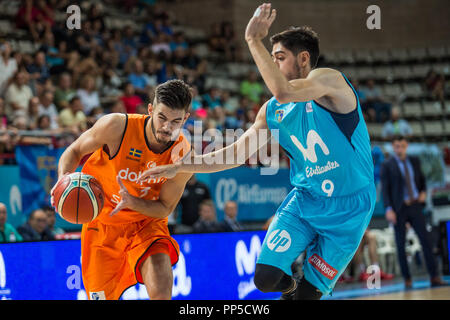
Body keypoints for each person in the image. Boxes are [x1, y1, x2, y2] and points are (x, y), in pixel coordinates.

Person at [138, 4, 377, 300]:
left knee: (308, 297)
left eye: (279, 58)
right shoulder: (273, 111)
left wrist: (253, 40)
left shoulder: (330, 81)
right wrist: (184, 166)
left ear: (303, 58)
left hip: (350, 206)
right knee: (265, 279)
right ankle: (290, 289)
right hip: (306, 200)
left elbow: (284, 91)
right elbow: (235, 154)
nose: (272, 64)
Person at [51, 79, 193, 300]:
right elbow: (74, 150)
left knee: (162, 290)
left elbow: (165, 208)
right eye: (162, 118)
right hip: (103, 223)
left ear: (186, 118)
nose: (167, 127)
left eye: (175, 121)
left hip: (146, 222)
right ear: (150, 110)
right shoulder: (116, 127)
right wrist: (63, 181)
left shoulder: (182, 152)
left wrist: (133, 203)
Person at [380, 135, 447, 289]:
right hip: (399, 208)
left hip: (416, 206)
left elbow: (422, 181)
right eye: (396, 146)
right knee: (400, 244)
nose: (399, 149)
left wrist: (423, 191)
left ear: (406, 146)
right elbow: (385, 189)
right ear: (393, 147)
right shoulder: (387, 165)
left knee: (426, 241)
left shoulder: (414, 161)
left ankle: (435, 277)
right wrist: (389, 209)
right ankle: (407, 279)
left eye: (402, 146)